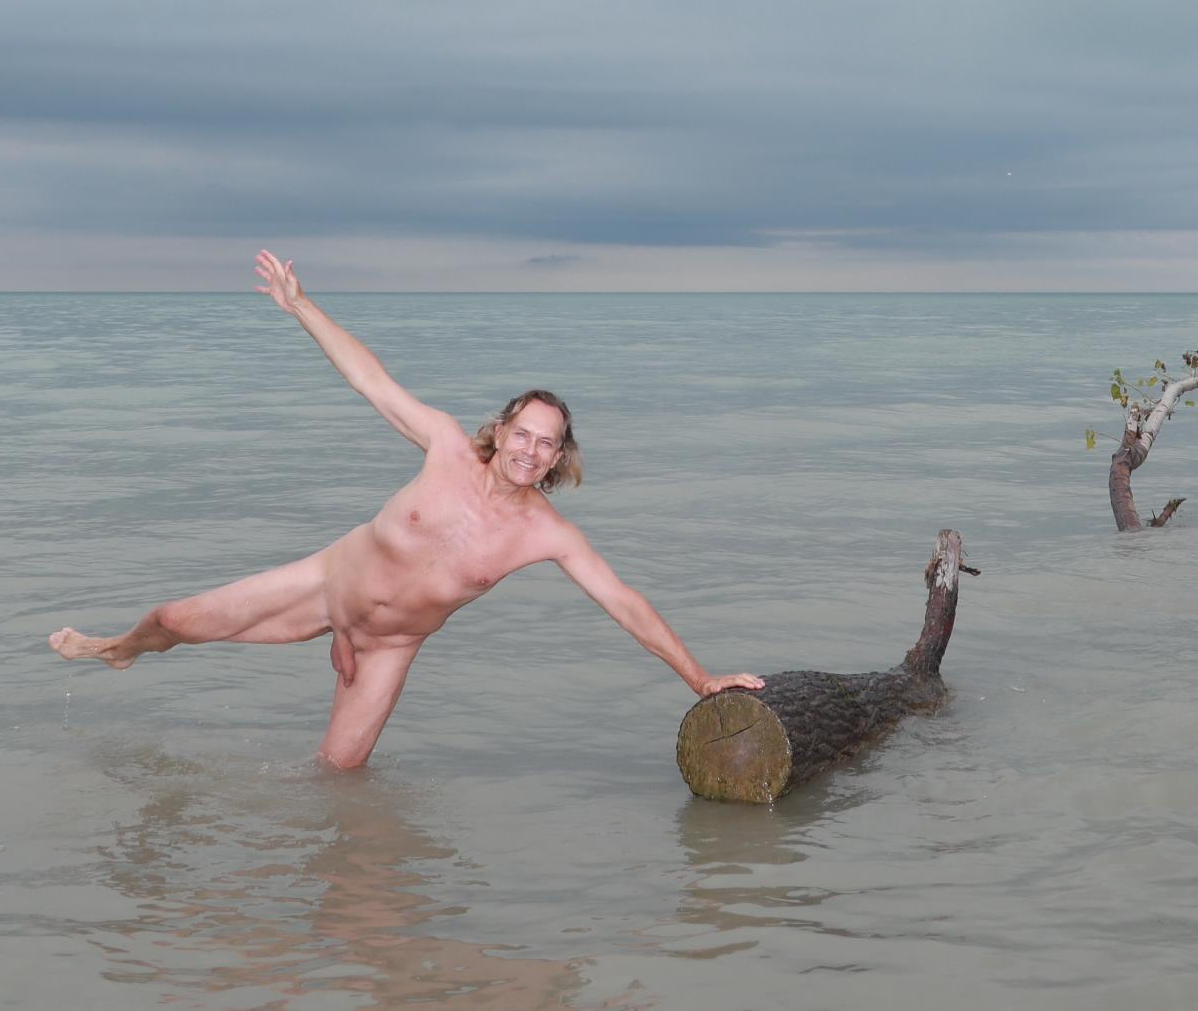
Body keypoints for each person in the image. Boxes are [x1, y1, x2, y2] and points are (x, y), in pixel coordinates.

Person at [50, 251, 763, 769]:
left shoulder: (546, 533)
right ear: (501, 431)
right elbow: (371, 380)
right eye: (523, 434)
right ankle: (118, 649)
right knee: (175, 619)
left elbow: (624, 602)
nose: (530, 450)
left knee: (338, 776)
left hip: (388, 647)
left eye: (546, 444)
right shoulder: (446, 445)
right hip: (325, 587)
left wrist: (699, 679)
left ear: (556, 459)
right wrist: (301, 306)